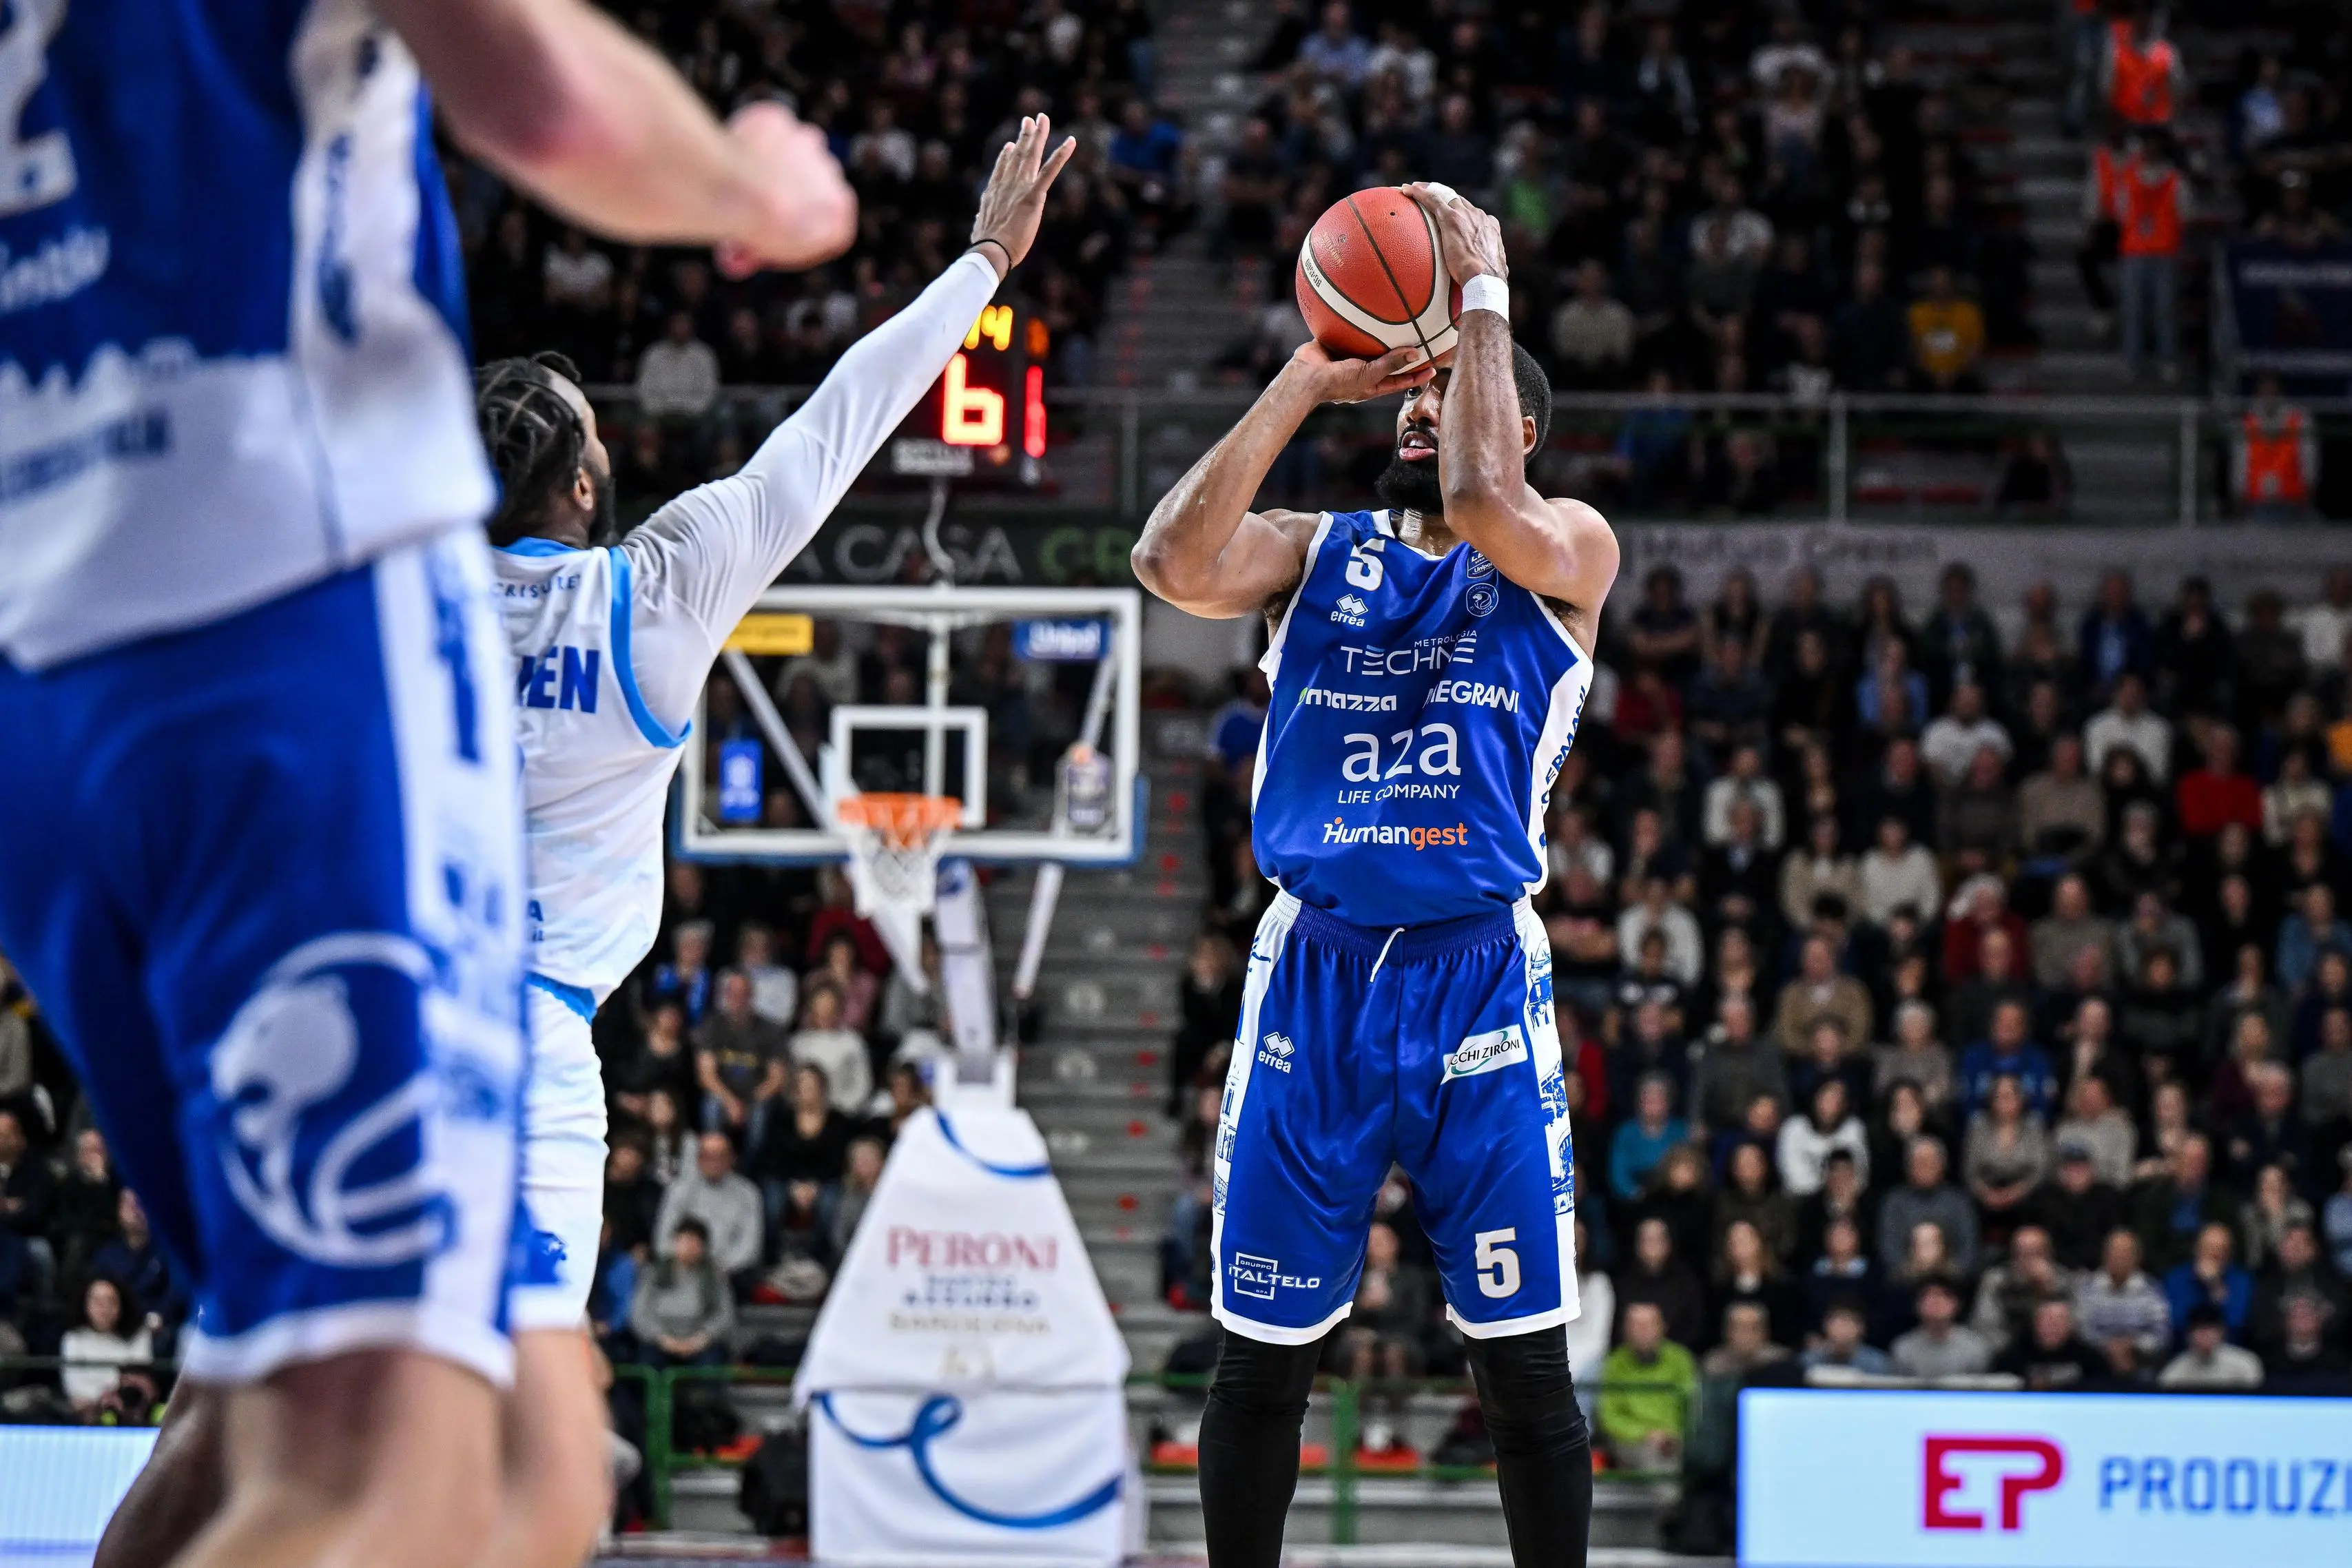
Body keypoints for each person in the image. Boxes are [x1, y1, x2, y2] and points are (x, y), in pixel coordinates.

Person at [11, 3, 852, 1567]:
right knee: (488, 1462)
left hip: (43, 703)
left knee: (250, 1414)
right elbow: (538, 95)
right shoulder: (634, 597)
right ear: (584, 480)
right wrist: (749, 188)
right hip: (273, 667)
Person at [1131, 184, 1618, 1568]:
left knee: (1524, 1369)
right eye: (1407, 404)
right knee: (1261, 1356)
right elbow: (1166, 558)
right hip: (1321, 970)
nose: (1417, 416)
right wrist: (1307, 370)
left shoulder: (1567, 548)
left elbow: (1478, 496)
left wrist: (1482, 294)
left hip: (1475, 976)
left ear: (1519, 428)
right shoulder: (1313, 554)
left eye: (1451, 397)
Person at [1598, 1302, 1697, 1472]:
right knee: (1650, 1455)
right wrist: (1646, 1434)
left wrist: (1672, 1434)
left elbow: (1692, 1407)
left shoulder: (1681, 1361)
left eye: (1649, 1324)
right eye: (1636, 1325)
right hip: (1630, 1440)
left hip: (1675, 1440)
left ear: (1663, 1327)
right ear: (1625, 1330)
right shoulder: (1614, 1364)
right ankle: (1665, 1496)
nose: (1642, 1331)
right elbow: (1608, 1416)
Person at [1890, 1277, 1992, 1379]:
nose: (1936, 1301)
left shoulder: (1975, 1348)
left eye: (1944, 1295)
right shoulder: (1903, 1349)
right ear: (1917, 1305)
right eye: (1928, 1295)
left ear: (1957, 1304)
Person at [2158, 1303, 2265, 1389]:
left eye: (2210, 1329)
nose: (2205, 1335)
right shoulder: (2177, 1368)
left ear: (2222, 1332)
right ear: (2188, 1336)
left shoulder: (2245, 1363)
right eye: (2199, 1329)